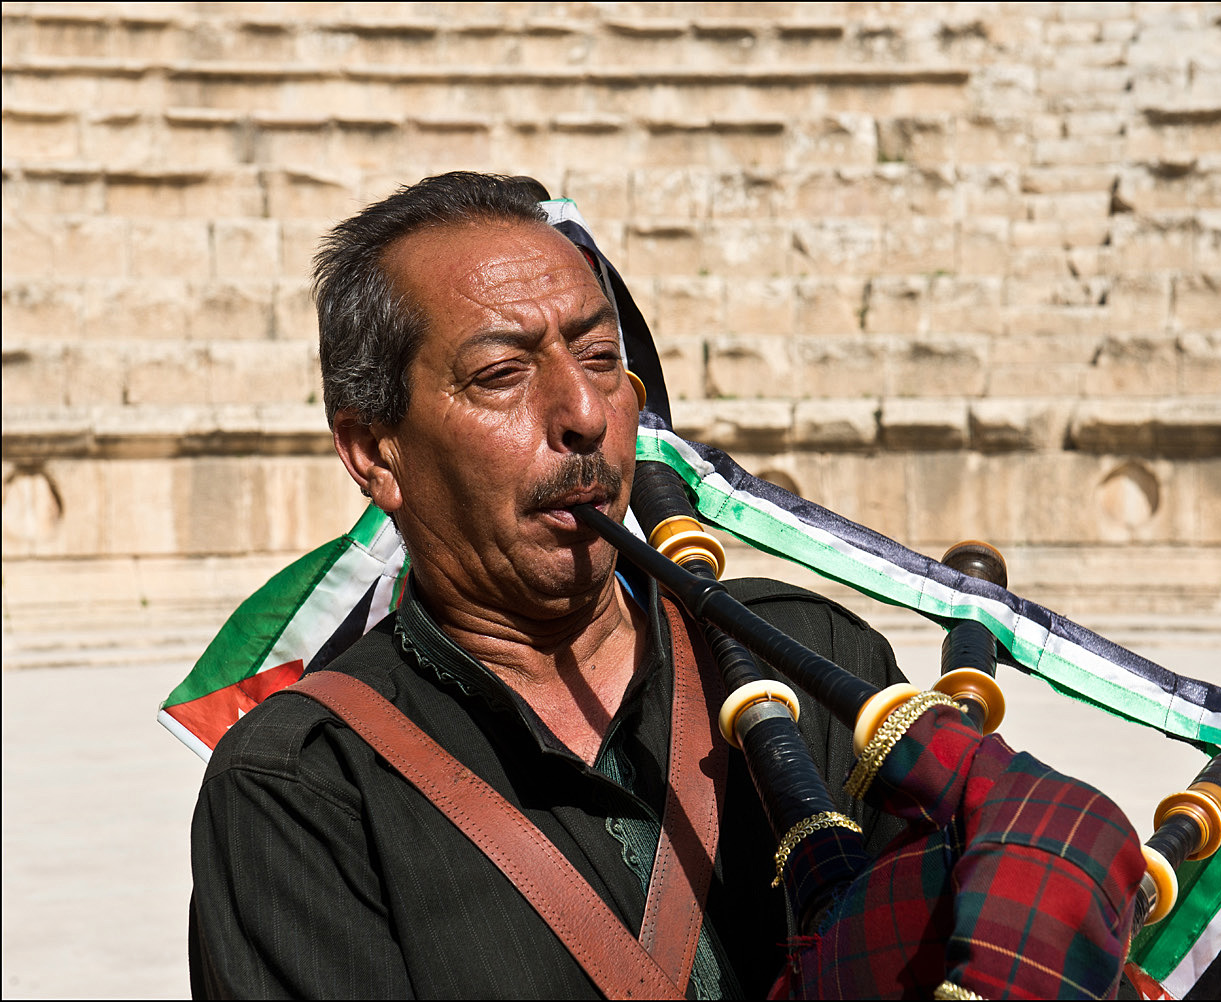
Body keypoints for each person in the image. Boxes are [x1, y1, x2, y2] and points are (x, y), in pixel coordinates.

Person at [188, 172, 1141, 1000]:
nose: (582, 414)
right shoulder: (300, 789)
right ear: (374, 451)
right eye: (501, 374)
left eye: (601, 359)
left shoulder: (816, 662)